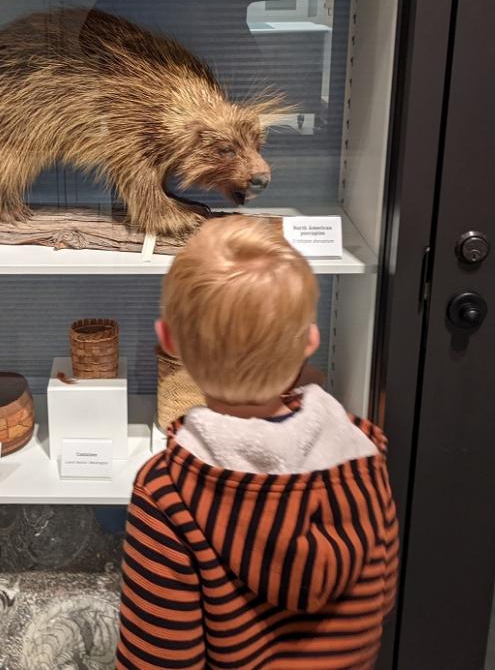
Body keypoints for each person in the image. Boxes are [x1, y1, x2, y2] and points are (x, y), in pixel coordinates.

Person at [117, 216, 399, 669]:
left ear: (171, 343)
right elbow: (381, 600)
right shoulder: (364, 454)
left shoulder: (167, 492)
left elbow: (159, 659)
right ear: (310, 341)